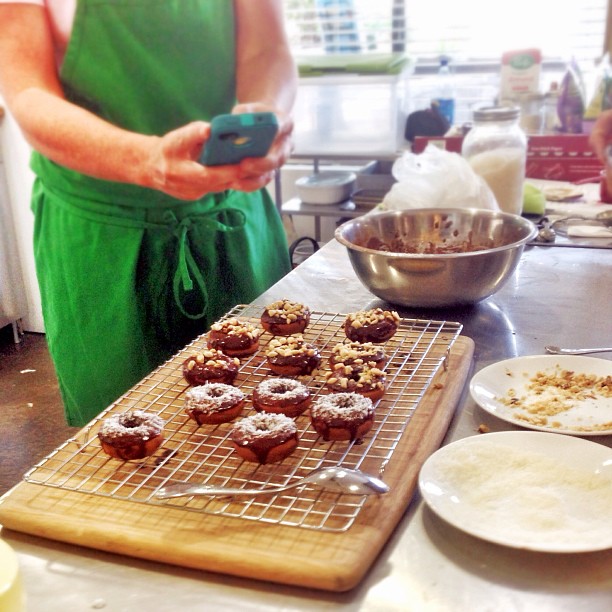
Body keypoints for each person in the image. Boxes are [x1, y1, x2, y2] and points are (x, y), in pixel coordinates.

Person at [0, 0, 297, 426]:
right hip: (103, 239)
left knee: (265, 404)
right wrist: (143, 159)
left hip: (229, 217)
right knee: (124, 431)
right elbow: (27, 89)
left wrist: (268, 115)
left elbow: (267, 50)